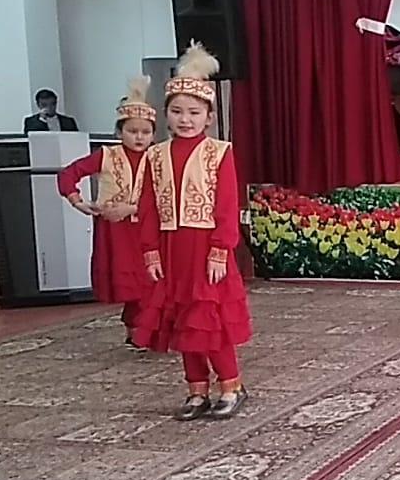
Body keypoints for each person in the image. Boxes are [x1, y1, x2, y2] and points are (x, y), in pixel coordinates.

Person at [133, 42, 253, 421]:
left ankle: (231, 384)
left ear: (209, 117)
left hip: (206, 250)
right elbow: (148, 207)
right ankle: (196, 389)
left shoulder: (219, 152)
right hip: (172, 249)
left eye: (194, 112)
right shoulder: (155, 156)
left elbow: (227, 205)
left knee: (210, 320)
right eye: (178, 112)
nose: (186, 119)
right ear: (166, 115)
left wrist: (220, 249)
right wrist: (150, 250)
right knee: (182, 320)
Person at [57, 77, 156, 350]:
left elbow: (165, 195)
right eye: (132, 131)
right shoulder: (106, 155)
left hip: (147, 227)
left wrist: (132, 208)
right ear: (119, 132)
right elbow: (69, 174)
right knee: (131, 282)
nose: (139, 137)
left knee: (150, 280)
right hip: (116, 232)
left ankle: (144, 328)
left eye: (145, 132)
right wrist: (78, 201)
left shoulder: (157, 159)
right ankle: (135, 329)